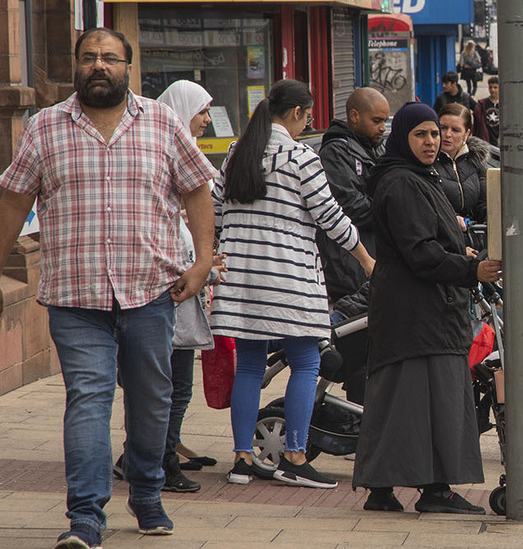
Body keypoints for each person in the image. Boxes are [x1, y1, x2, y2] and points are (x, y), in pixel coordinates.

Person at [0, 27, 215, 548]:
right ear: (76, 66)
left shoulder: (162, 122)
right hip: (76, 295)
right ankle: (85, 518)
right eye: (90, 57)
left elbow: (197, 189)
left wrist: (204, 261)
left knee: (150, 399)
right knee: (88, 399)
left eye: (110, 58)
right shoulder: (44, 128)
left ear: (128, 67)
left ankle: (146, 491)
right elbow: (13, 199)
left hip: (150, 292)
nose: (100, 65)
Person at [209, 79, 375, 491]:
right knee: (306, 362)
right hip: (289, 280)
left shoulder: (236, 153)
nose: (308, 125)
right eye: (308, 117)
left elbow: (212, 210)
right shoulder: (300, 156)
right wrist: (367, 260)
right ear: (298, 113)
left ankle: (242, 460)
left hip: (242, 282)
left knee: (249, 366)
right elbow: (330, 217)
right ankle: (295, 457)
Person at [353, 102, 503, 515]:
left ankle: (382, 490)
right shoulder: (403, 183)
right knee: (432, 402)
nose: (431, 141)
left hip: (416, 313)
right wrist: (473, 269)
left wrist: (463, 253)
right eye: (421, 134)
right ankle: (435, 490)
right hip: (420, 315)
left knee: (402, 403)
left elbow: (425, 243)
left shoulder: (418, 177)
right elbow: (420, 253)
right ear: (403, 138)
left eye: (435, 134)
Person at [152, 80, 225, 493]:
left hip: (182, 289)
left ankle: (164, 450)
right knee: (164, 386)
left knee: (177, 385)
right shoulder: (167, 152)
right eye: (202, 111)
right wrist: (204, 267)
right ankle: (156, 460)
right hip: (164, 293)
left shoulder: (188, 153)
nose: (208, 120)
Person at [317, 87, 390, 303]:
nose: (383, 128)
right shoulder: (335, 153)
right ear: (355, 116)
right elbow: (352, 206)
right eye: (377, 120)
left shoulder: (377, 149)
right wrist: (392, 211)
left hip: (375, 261)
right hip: (349, 269)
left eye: (385, 121)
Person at [434, 103, 489, 229]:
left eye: (455, 130)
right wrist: (452, 218)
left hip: (474, 236)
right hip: (444, 236)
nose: (448, 134)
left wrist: (489, 217)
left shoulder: (475, 161)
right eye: (443, 127)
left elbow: (483, 203)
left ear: (466, 133)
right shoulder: (428, 162)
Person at [473, 75, 501, 146]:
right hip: (486, 140)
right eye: (490, 87)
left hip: (499, 140)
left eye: (495, 87)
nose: (492, 90)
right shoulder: (482, 104)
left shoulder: (505, 105)